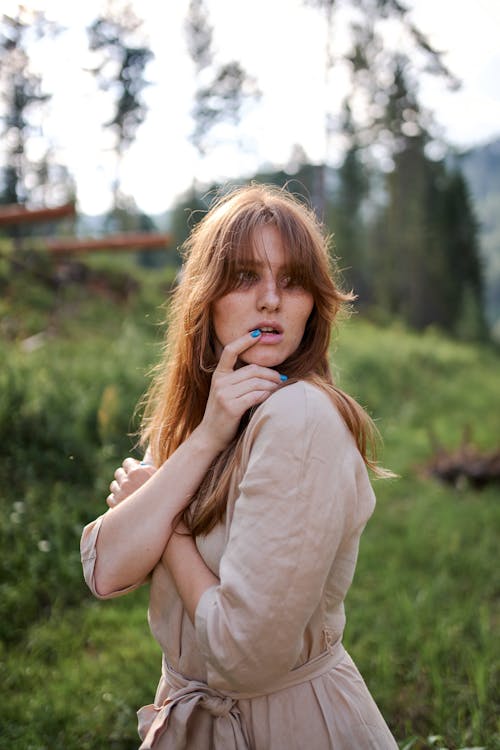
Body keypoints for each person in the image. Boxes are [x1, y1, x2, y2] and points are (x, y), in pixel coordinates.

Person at [80, 184, 398, 749]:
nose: (271, 300)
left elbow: (242, 654)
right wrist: (207, 436)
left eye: (293, 281)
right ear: (208, 296)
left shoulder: (300, 419)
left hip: (287, 729)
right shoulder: (198, 417)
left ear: (313, 304)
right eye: (246, 276)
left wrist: (168, 520)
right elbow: (106, 571)